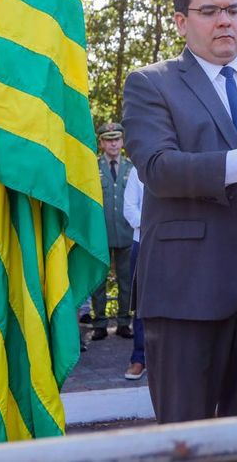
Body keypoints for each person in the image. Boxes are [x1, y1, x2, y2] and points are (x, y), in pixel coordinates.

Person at [122, 0, 237, 424]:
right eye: (209, 11)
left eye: (233, 10)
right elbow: (158, 167)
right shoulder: (149, 84)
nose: (224, 21)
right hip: (186, 291)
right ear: (181, 21)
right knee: (186, 436)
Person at [90, 121, 135, 341]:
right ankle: (99, 323)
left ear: (123, 141)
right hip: (101, 233)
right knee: (99, 279)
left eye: (116, 139)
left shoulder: (130, 167)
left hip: (126, 232)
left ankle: (124, 322)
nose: (113, 144)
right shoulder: (93, 168)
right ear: (101, 143)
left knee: (126, 279)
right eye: (108, 140)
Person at [122, 167, 145, 380]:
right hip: (144, 242)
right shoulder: (137, 171)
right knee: (141, 304)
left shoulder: (181, 159)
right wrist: (155, 225)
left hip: (176, 244)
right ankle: (139, 358)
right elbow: (129, 209)